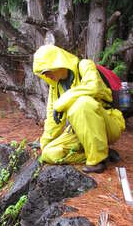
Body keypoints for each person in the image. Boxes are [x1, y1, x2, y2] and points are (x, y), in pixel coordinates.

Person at [33, 45, 125, 173]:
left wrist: (61, 103)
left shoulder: (84, 65)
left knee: (82, 103)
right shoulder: (55, 87)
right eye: (42, 73)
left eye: (46, 71)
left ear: (56, 63)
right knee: (49, 154)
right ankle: (101, 153)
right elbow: (53, 120)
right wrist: (44, 144)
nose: (46, 76)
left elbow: (94, 87)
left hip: (108, 124)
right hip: (79, 131)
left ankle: (97, 161)